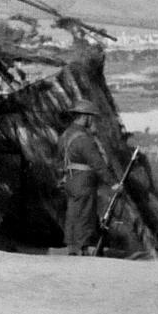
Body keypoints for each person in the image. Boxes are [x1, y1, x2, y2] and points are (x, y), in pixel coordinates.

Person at [58, 98, 120, 255]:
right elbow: (97, 163)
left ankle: (72, 247)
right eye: (91, 117)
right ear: (85, 116)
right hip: (84, 181)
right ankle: (82, 249)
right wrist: (113, 183)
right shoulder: (83, 139)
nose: (92, 121)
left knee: (73, 214)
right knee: (85, 214)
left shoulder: (65, 135)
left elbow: (60, 159)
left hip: (70, 180)